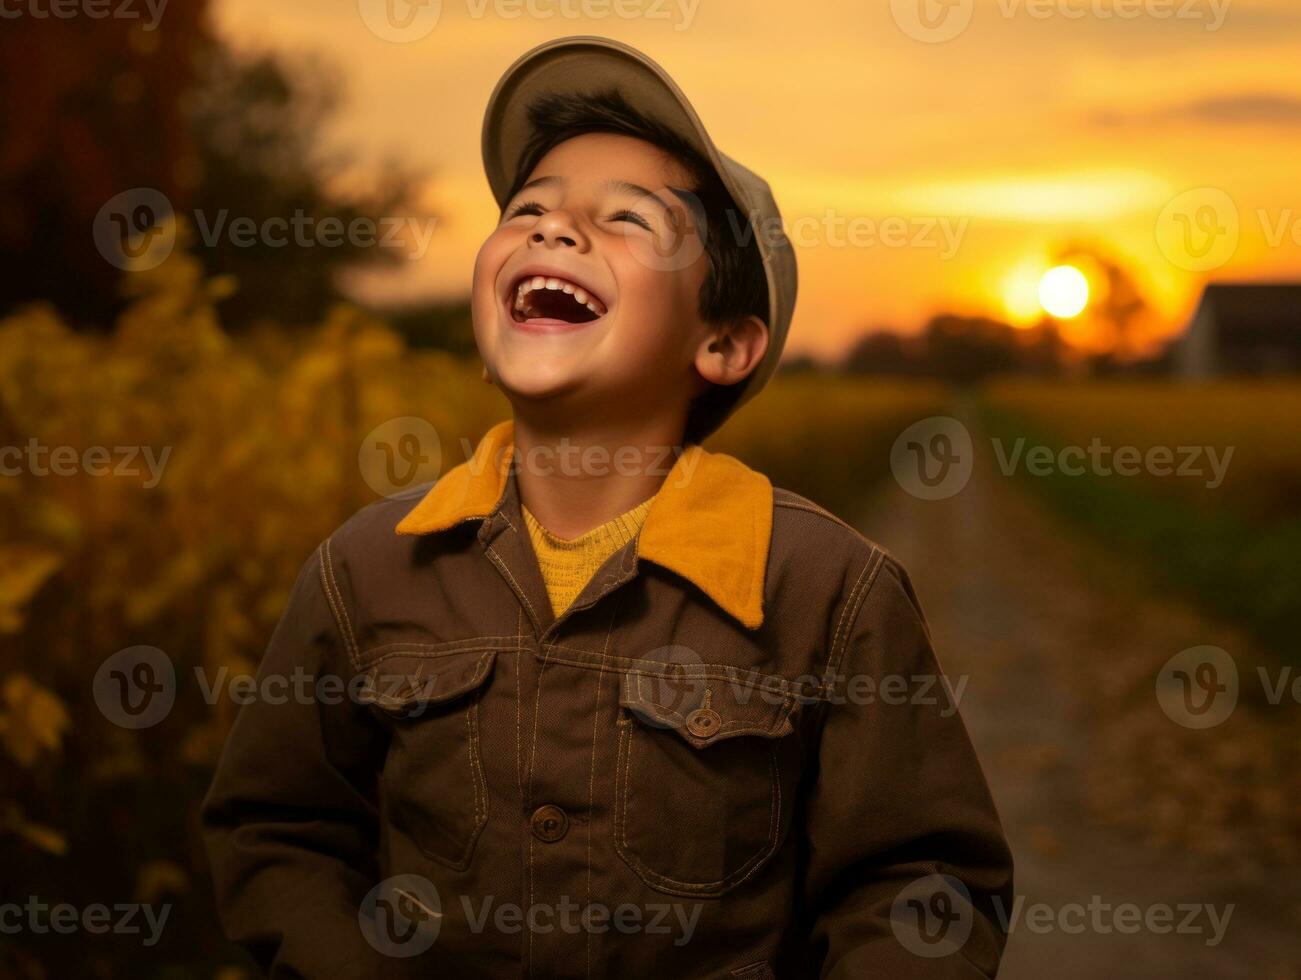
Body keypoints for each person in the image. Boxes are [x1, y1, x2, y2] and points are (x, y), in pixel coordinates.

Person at [202, 35, 1013, 979]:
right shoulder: (364, 568)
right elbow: (280, 830)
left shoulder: (825, 589)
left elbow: (921, 881)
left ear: (723, 345)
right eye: (527, 209)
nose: (553, 229)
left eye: (628, 219)